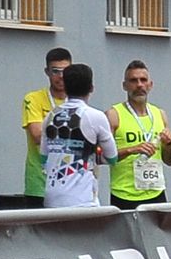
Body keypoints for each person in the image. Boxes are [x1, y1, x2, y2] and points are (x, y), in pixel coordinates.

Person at [41, 64, 117, 208]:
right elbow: (112, 157)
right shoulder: (96, 116)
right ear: (91, 88)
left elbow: (44, 158)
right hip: (83, 200)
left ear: (65, 87)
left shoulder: (50, 116)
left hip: (52, 198)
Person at [104, 60, 171, 209]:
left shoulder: (160, 114)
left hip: (156, 192)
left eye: (143, 80)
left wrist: (169, 145)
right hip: (124, 194)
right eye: (133, 81)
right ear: (124, 85)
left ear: (150, 85)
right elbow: (103, 157)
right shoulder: (114, 114)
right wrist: (132, 149)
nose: (139, 85)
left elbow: (169, 161)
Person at [14, 47, 71, 211]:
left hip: (69, 183)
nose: (61, 76)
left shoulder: (76, 101)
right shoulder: (33, 99)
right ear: (47, 72)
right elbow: (38, 135)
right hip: (40, 183)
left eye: (65, 71)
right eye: (55, 71)